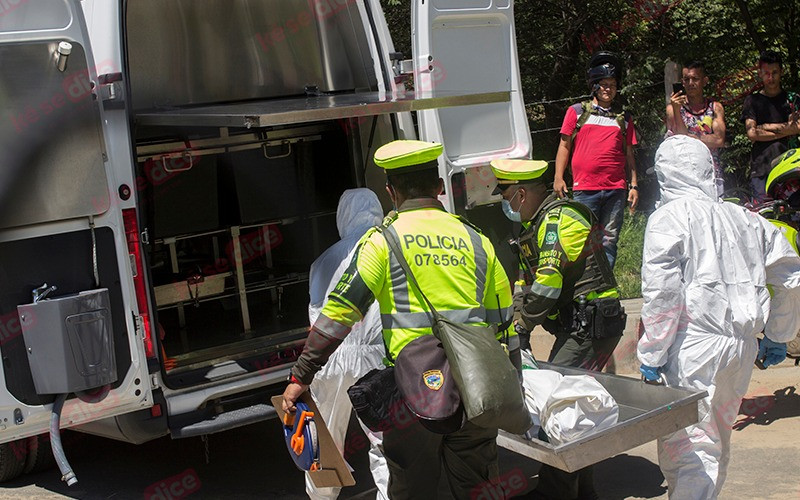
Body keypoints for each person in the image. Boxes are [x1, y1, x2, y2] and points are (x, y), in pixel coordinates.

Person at [282, 140, 518, 499]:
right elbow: (505, 324)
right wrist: (512, 382)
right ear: (439, 186)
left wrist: (301, 375)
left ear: (390, 192)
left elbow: (337, 315)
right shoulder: (477, 241)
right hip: (474, 387)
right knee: (479, 487)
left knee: (411, 489)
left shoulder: (381, 244)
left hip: (413, 394)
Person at [637, 135, 800, 499]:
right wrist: (777, 333)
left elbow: (663, 294)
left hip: (693, 349)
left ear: (665, 175)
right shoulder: (745, 218)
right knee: (714, 441)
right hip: (739, 351)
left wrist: (652, 353)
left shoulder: (668, 218)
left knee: (690, 449)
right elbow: (790, 274)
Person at [492, 158, 626, 500]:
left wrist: (521, 327)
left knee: (561, 405)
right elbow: (532, 285)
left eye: (506, 197)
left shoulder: (558, 219)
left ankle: (556, 492)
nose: (506, 206)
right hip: (582, 323)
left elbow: (548, 283)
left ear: (521, 194)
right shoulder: (538, 223)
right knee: (574, 408)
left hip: (591, 323)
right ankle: (584, 490)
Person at [305, 188, 389, 500]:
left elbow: (316, 321)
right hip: (378, 357)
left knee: (324, 438)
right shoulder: (390, 249)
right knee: (384, 439)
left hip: (332, 355)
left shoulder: (324, 260)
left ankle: (323, 496)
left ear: (343, 217)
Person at [553, 51, 639, 269]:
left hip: (615, 189)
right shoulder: (577, 112)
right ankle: (583, 287)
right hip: (585, 188)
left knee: (609, 240)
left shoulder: (624, 118)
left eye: (612, 84)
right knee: (582, 241)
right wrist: (558, 177)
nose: (608, 89)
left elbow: (629, 153)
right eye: (603, 84)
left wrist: (634, 185)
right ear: (593, 85)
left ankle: (605, 288)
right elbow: (564, 145)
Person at [741, 50, 800, 202]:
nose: (770, 77)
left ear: (781, 72)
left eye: (774, 72)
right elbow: (752, 134)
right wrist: (786, 130)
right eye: (766, 73)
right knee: (764, 218)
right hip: (761, 168)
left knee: (792, 217)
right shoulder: (752, 101)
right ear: (760, 73)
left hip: (790, 168)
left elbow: (798, 127)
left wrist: (764, 126)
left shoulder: (792, 99)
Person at [666, 61, 726, 196]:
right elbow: (680, 140)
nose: (690, 83)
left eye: (695, 79)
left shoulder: (715, 107)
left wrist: (690, 137)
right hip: (684, 174)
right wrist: (676, 110)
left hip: (711, 173)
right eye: (686, 79)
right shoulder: (672, 109)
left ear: (704, 81)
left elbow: (719, 140)